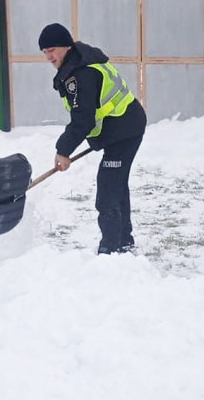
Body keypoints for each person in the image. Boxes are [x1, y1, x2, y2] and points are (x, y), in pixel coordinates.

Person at [39, 22, 147, 255]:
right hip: (121, 128)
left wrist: (63, 150)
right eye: (45, 52)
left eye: (52, 50)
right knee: (116, 185)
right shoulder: (79, 63)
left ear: (66, 46)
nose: (48, 56)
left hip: (125, 131)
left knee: (108, 190)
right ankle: (123, 243)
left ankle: (111, 249)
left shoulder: (82, 74)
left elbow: (83, 120)